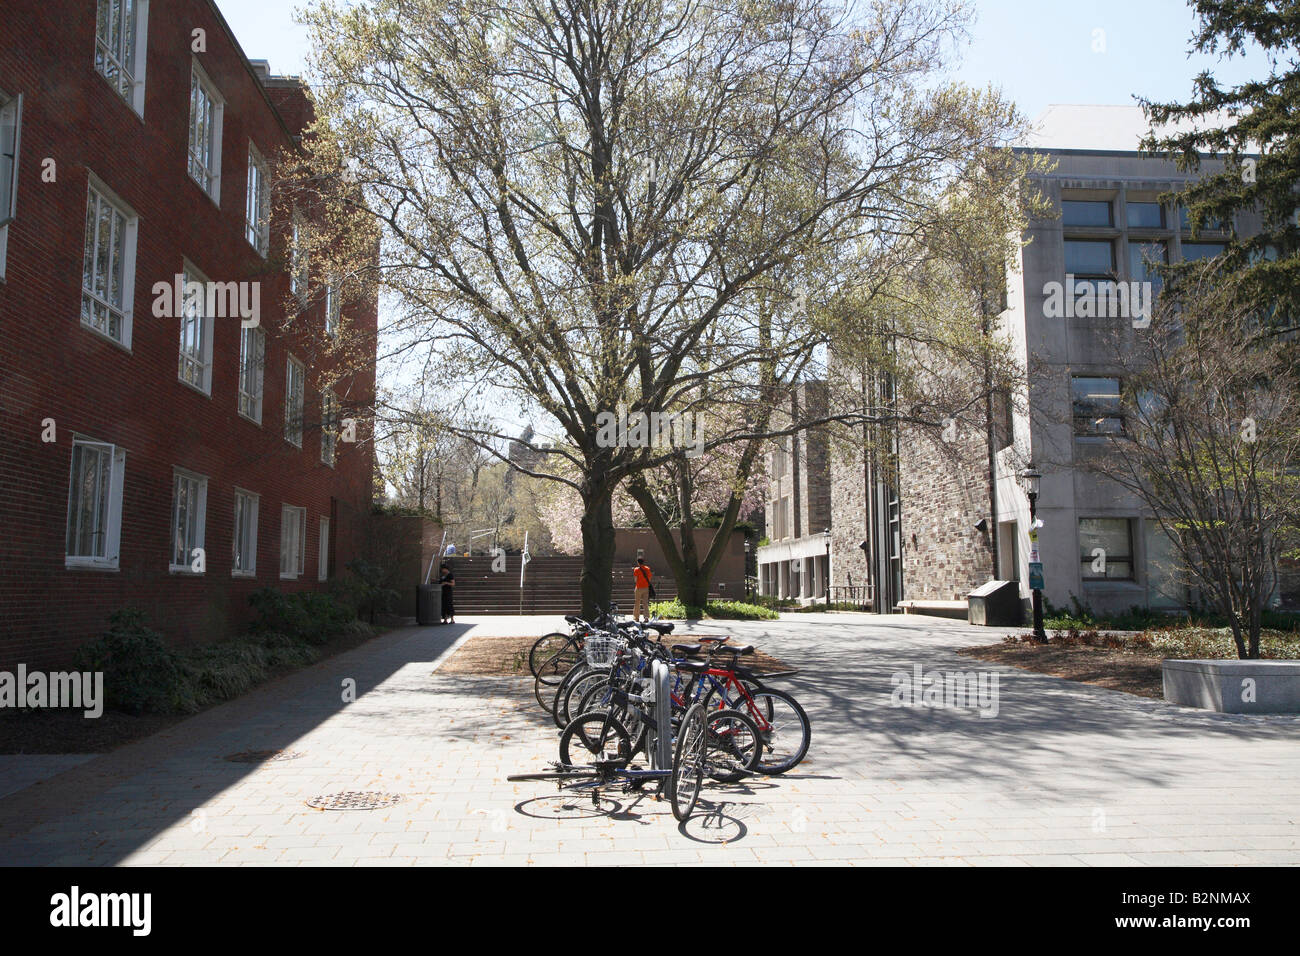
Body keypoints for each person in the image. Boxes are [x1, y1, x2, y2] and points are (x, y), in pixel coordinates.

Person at [632, 557, 653, 622]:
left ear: (638, 563)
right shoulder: (647, 569)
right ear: (643, 562)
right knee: (645, 603)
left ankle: (637, 617)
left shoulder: (636, 569)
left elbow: (635, 580)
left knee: (637, 603)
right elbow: (649, 579)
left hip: (638, 587)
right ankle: (646, 617)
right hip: (646, 588)